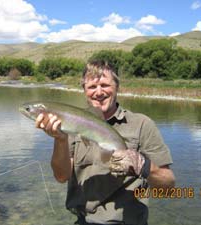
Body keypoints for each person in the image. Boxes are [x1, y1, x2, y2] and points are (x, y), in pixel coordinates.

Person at [35, 60, 175, 225]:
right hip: (83, 221)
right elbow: (61, 176)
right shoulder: (72, 123)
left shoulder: (142, 124)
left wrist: (143, 166)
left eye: (105, 85)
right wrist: (60, 139)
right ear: (84, 91)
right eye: (92, 87)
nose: (99, 92)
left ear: (117, 87)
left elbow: (168, 187)